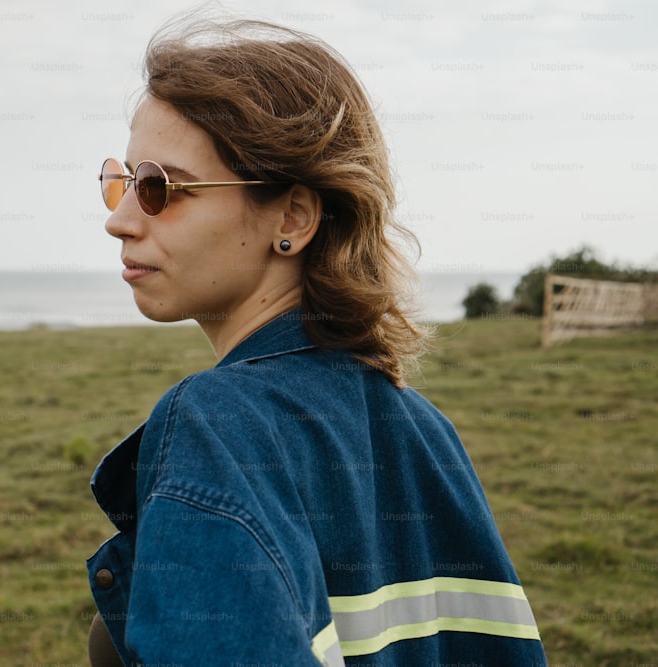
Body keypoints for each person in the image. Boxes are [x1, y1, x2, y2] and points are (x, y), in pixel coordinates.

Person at [86, 14, 547, 667]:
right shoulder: (423, 427)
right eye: (123, 179)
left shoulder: (216, 428)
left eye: (161, 187)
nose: (120, 219)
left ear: (294, 218)